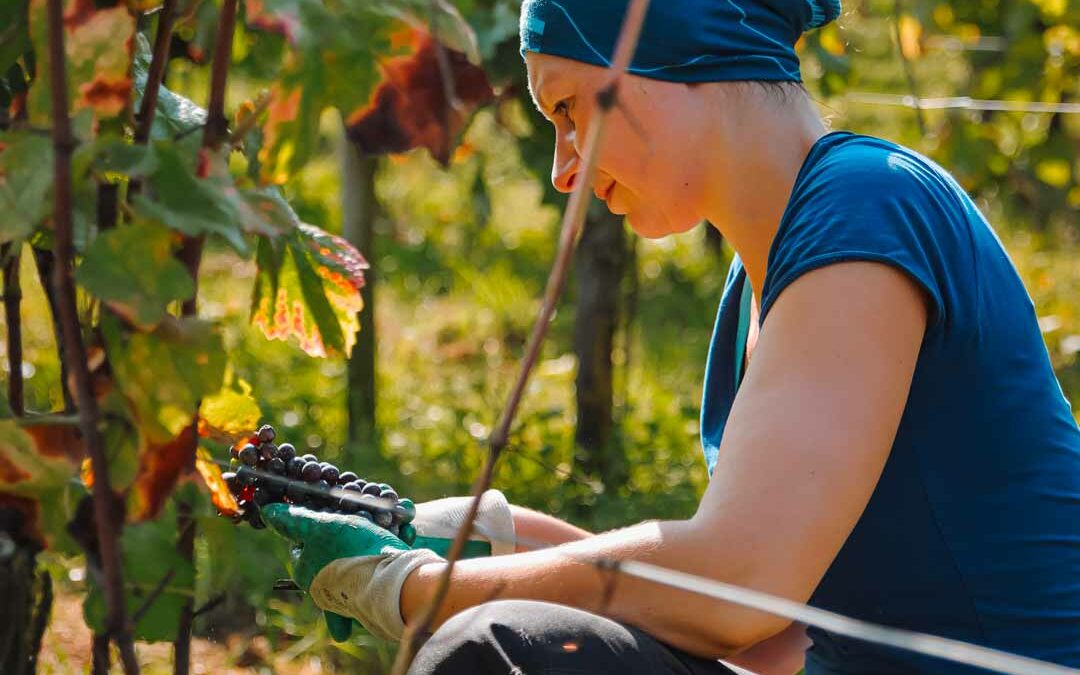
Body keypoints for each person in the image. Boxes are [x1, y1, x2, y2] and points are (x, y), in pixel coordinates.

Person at [261, 0, 1080, 673]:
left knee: (491, 651)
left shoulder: (868, 207)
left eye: (570, 109)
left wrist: (423, 590)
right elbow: (772, 635)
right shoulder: (760, 282)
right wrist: (490, 535)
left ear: (668, 51)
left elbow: (738, 588)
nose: (562, 170)